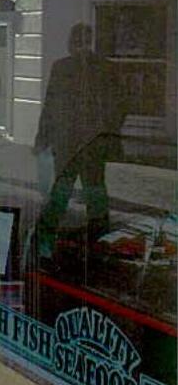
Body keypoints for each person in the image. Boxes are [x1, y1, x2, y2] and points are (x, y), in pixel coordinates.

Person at [32, 23, 127, 257]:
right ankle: (98, 241)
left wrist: (42, 138)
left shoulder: (64, 67)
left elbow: (50, 107)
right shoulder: (105, 68)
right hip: (90, 143)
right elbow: (121, 105)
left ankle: (47, 240)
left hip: (73, 143)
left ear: (73, 42)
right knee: (93, 192)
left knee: (65, 191)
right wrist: (108, 130)